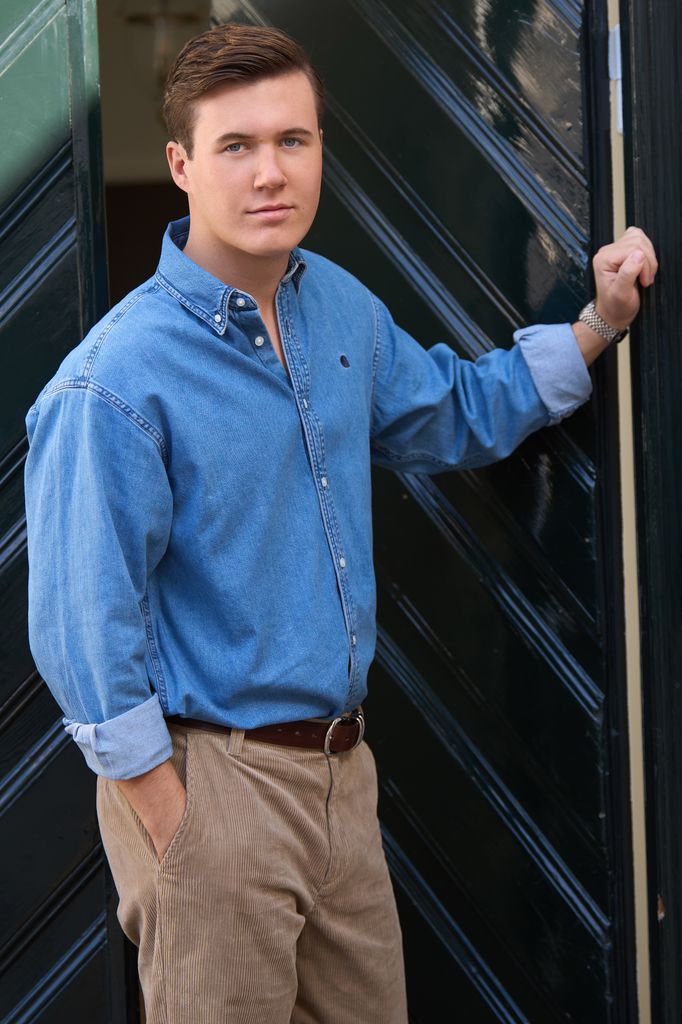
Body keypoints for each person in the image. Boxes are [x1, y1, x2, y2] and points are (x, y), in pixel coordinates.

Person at [23, 21, 657, 1024]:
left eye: (293, 140)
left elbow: (456, 410)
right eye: (236, 146)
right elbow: (82, 630)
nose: (270, 171)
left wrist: (598, 323)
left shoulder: (336, 311)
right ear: (182, 164)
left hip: (340, 781)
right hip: (211, 785)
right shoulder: (114, 381)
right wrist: (178, 825)